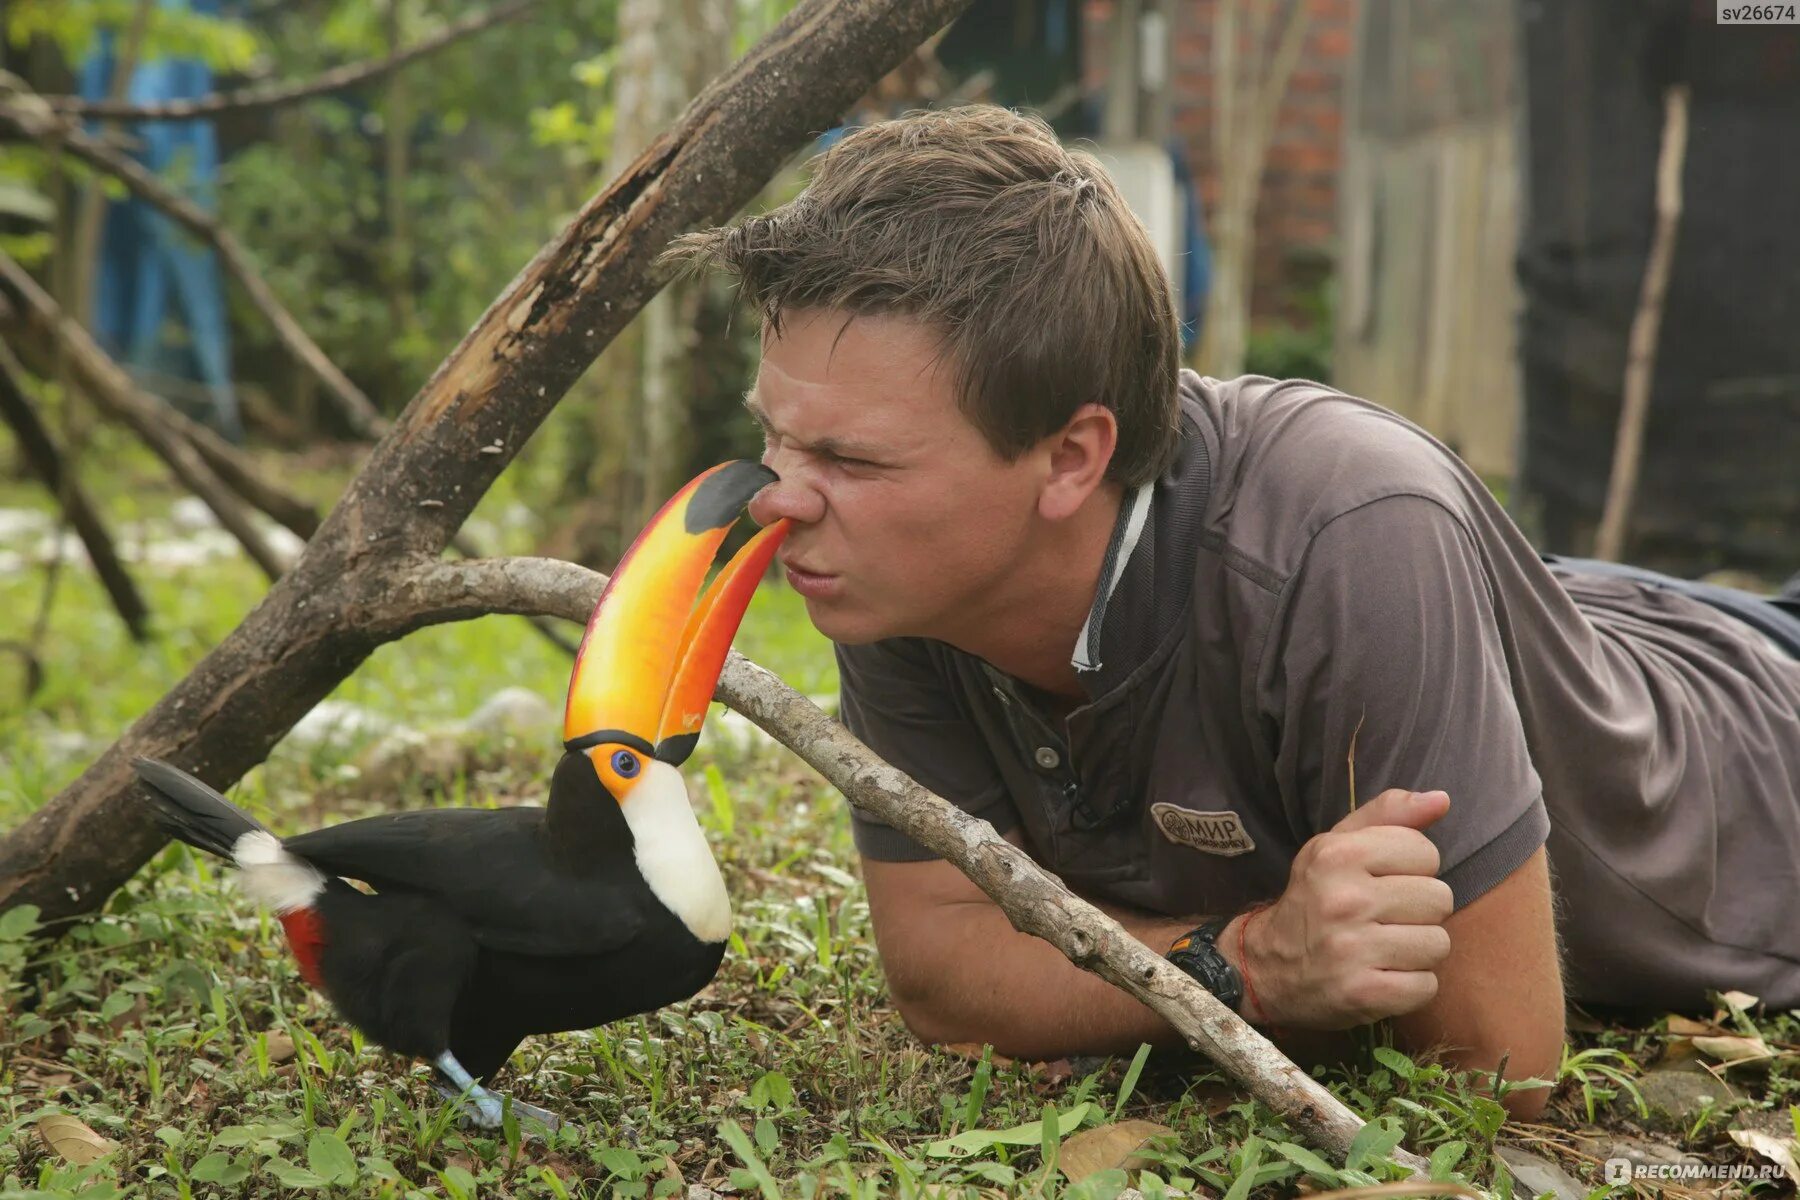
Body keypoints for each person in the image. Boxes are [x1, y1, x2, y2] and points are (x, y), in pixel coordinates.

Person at [662, 105, 1800, 1123]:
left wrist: (1129, 986)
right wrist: (1247, 964)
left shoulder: (1352, 528)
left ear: (1070, 457)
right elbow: (943, 972)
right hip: (1572, 617)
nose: (778, 496)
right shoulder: (896, 572)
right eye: (778, 435)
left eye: (848, 457)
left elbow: (1495, 1065)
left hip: (1758, 734)